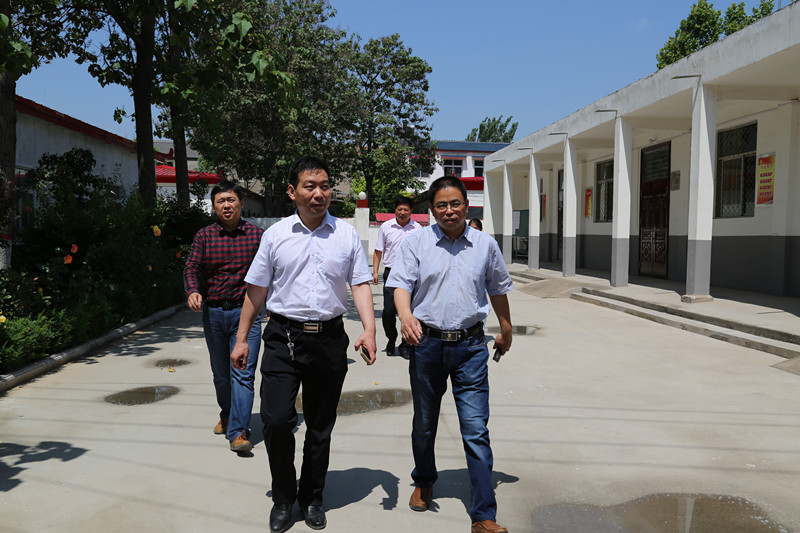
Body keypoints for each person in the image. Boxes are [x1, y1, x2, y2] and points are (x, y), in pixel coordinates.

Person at [230, 155, 377, 533]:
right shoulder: (276, 235)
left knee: (320, 426)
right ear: (292, 191)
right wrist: (242, 338)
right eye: (310, 186)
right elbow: (257, 289)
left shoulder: (345, 235)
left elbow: (360, 283)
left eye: (325, 186)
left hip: (328, 339)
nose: (319, 193)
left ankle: (312, 497)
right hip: (282, 337)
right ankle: (283, 497)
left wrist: (369, 328)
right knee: (277, 420)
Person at [386, 175, 514, 533]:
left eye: (455, 203)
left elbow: (498, 289)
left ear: (467, 206)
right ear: (431, 210)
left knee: (475, 429)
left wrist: (506, 329)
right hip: (426, 345)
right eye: (441, 205)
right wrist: (406, 316)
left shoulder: (485, 245)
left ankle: (484, 514)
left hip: (471, 348)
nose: (449, 211)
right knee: (425, 423)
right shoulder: (416, 243)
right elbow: (400, 285)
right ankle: (424, 480)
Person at [183, 180, 264, 453]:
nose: (226, 205)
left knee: (242, 372)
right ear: (214, 206)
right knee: (221, 374)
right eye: (221, 201)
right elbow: (192, 267)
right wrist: (193, 290)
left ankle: (239, 432)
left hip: (246, 315)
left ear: (241, 203)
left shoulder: (257, 236)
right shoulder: (204, 236)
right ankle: (227, 414)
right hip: (214, 314)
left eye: (231, 200)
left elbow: (271, 272)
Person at [372, 195, 421, 359]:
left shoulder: (418, 229)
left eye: (406, 209)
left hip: (411, 274)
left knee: (409, 311)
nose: (402, 212)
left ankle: (406, 344)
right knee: (388, 311)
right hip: (391, 273)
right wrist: (375, 271)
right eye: (400, 209)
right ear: (395, 210)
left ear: (411, 211)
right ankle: (391, 338)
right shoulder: (386, 227)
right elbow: (378, 250)